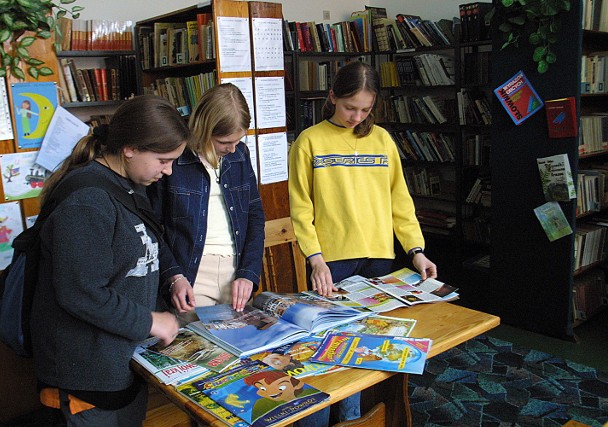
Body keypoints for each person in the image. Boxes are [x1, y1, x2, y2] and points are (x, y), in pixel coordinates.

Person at [288, 60, 438, 426]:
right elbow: (300, 209)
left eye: (365, 110)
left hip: (378, 259)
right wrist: (315, 259)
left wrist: (415, 251)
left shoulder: (383, 140)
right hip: (332, 261)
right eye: (349, 107)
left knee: (368, 346)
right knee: (327, 348)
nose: (356, 116)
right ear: (332, 97)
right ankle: (325, 417)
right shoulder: (309, 142)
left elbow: (400, 201)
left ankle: (360, 419)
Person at [30, 95, 189, 427]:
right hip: (87, 376)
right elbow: (81, 292)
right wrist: (152, 322)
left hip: (122, 362)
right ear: (129, 148)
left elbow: (137, 254)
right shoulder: (87, 201)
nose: (168, 170)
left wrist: (170, 278)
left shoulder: (129, 184)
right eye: (163, 159)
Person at [150, 83, 265, 318]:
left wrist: (249, 272)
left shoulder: (240, 155)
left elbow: (255, 215)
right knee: (199, 348)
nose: (233, 149)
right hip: (192, 275)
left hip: (236, 273)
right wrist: (174, 276)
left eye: (238, 141)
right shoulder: (173, 160)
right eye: (225, 143)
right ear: (204, 129)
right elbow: (152, 228)